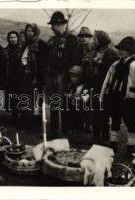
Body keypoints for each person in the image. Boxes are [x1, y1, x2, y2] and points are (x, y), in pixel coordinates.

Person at [100, 36, 135, 157]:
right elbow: (107, 80)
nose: (121, 51)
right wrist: (103, 94)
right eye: (120, 49)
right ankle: (113, 143)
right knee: (115, 120)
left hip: (128, 99)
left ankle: (130, 147)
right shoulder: (115, 64)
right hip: (115, 96)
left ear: (130, 51)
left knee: (130, 122)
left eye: (124, 49)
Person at [45, 11, 81, 139]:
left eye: (53, 25)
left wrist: (64, 70)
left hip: (63, 76)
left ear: (60, 25)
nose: (52, 28)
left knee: (64, 104)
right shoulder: (52, 40)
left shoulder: (72, 39)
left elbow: (75, 58)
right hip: (51, 76)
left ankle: (66, 131)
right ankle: (54, 131)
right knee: (54, 104)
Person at [88, 30, 119, 144]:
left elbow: (114, 72)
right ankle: (96, 137)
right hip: (94, 86)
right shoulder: (94, 52)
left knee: (104, 112)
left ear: (102, 40)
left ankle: (105, 137)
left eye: (95, 39)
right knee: (94, 112)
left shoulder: (111, 53)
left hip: (105, 87)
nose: (93, 41)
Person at [19, 23, 48, 130]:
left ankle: (36, 126)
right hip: (25, 76)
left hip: (35, 77)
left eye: (31, 31)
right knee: (26, 101)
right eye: (28, 31)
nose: (29, 33)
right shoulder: (25, 45)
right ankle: (27, 123)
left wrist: (38, 77)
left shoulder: (41, 44)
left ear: (36, 32)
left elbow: (43, 63)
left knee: (36, 101)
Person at [77, 26, 97, 135]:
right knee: (82, 104)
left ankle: (90, 127)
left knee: (91, 106)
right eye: (81, 37)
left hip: (93, 83)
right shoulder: (79, 50)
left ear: (91, 38)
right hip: (83, 82)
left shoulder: (95, 51)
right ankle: (83, 126)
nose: (83, 39)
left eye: (86, 37)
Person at [2, 31, 22, 125]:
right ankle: (14, 117)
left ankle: (20, 118)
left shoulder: (21, 49)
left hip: (18, 77)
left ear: (17, 38)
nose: (13, 39)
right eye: (11, 38)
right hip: (9, 77)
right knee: (11, 98)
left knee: (19, 98)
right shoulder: (6, 50)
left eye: (14, 37)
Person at [64, 65, 87, 142]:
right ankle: (70, 134)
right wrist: (68, 96)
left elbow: (85, 98)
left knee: (79, 122)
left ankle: (78, 135)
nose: (72, 78)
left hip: (79, 109)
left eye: (75, 76)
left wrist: (80, 99)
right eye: (71, 76)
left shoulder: (84, 87)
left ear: (80, 77)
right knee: (70, 120)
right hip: (71, 107)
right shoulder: (70, 85)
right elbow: (66, 94)